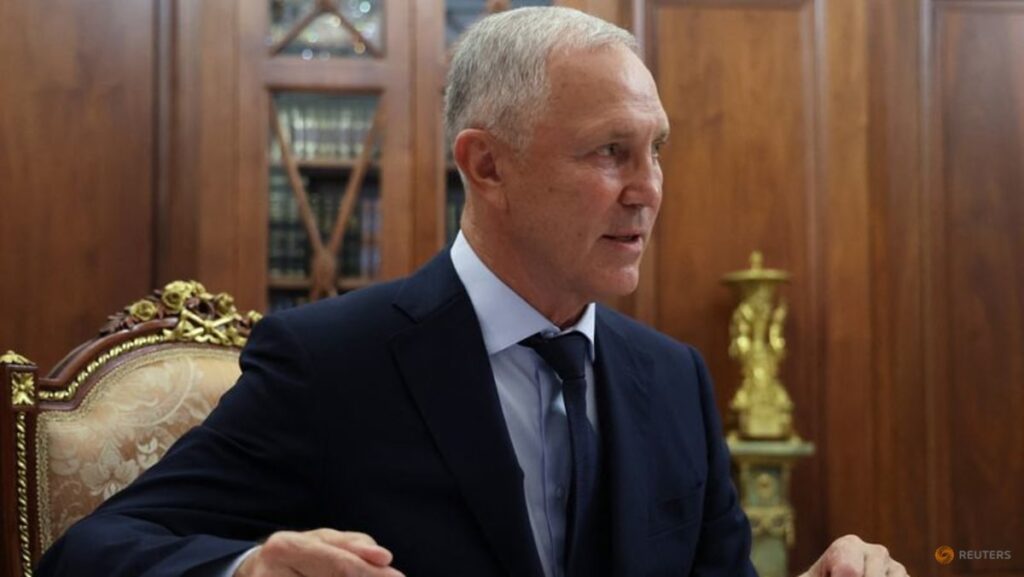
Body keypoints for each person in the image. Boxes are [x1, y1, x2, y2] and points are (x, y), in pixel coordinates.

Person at [38, 7, 907, 577]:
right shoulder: (332, 362)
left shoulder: (673, 377)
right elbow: (92, 553)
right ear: (486, 165)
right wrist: (247, 566)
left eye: (657, 150)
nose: (649, 188)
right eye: (610, 152)